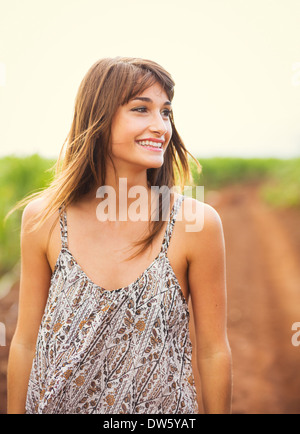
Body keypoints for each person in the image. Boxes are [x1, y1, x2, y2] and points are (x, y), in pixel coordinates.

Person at [7, 57, 232, 414]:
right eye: (141, 109)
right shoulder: (45, 219)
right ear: (97, 117)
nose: (160, 126)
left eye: (166, 112)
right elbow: (25, 343)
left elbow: (213, 350)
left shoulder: (196, 223)